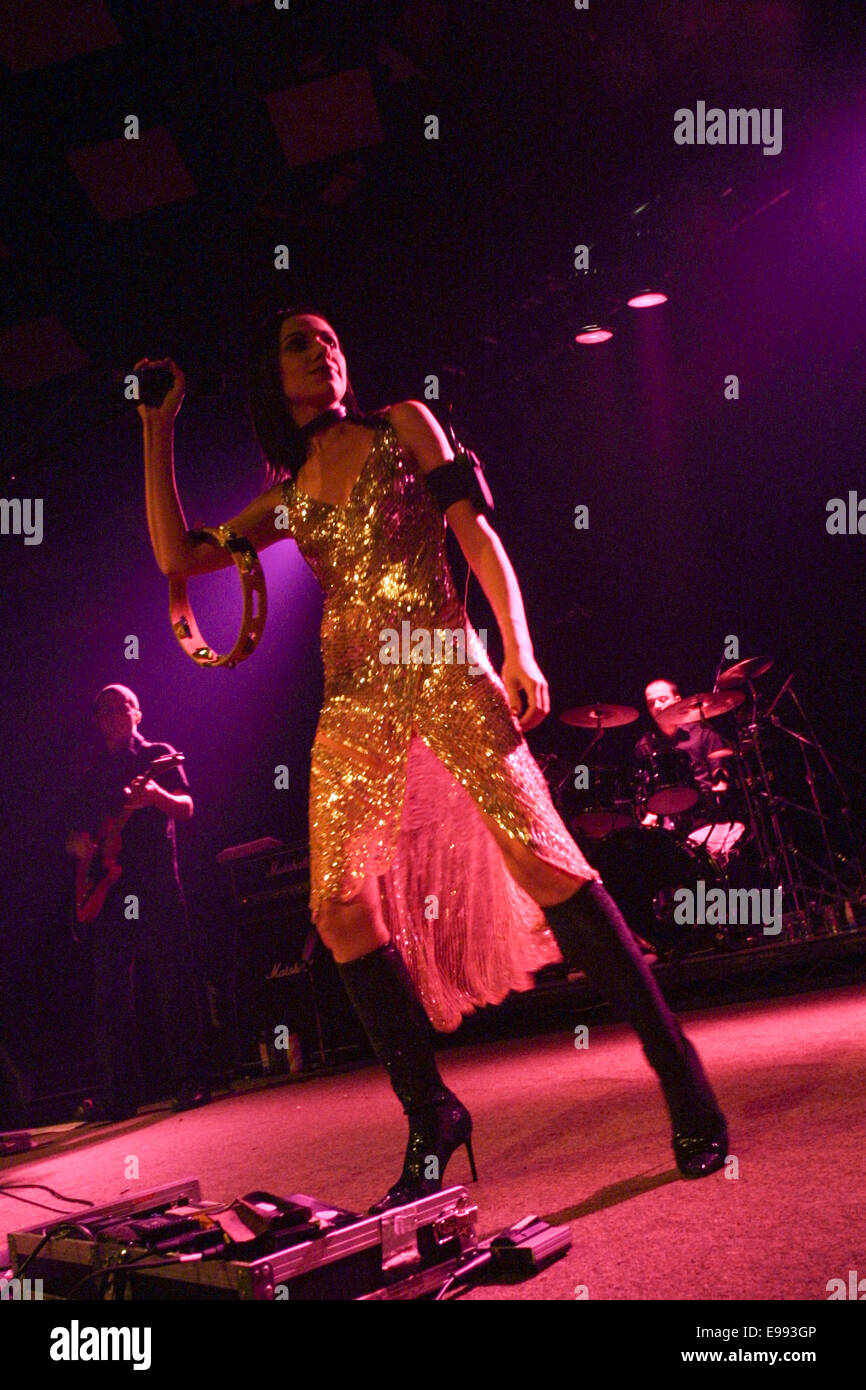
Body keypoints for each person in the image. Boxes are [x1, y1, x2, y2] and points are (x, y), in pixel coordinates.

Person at [137, 307, 728, 1210]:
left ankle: (680, 1072)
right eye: (301, 343)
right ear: (272, 374)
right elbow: (178, 554)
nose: (324, 352)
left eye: (333, 339)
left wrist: (518, 646)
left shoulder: (404, 422)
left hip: (445, 662)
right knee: (337, 911)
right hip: (353, 697)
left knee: (544, 859)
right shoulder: (289, 497)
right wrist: (158, 429)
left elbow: (474, 532)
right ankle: (431, 1114)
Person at [65, 684, 210, 1120]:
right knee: (109, 990)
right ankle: (119, 1094)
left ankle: (193, 1082)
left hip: (155, 880)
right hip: (112, 887)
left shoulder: (158, 756)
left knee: (173, 977)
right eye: (103, 708)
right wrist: (80, 847)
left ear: (138, 712)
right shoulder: (91, 773)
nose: (112, 713)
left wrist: (155, 797)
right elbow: (77, 834)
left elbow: (186, 808)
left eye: (120, 705)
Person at [637, 678, 744, 860]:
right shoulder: (644, 745)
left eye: (662, 699)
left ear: (677, 700)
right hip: (668, 825)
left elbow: (721, 777)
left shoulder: (704, 734)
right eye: (651, 702)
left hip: (705, 818)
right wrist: (650, 814)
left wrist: (719, 788)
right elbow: (645, 790)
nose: (656, 705)